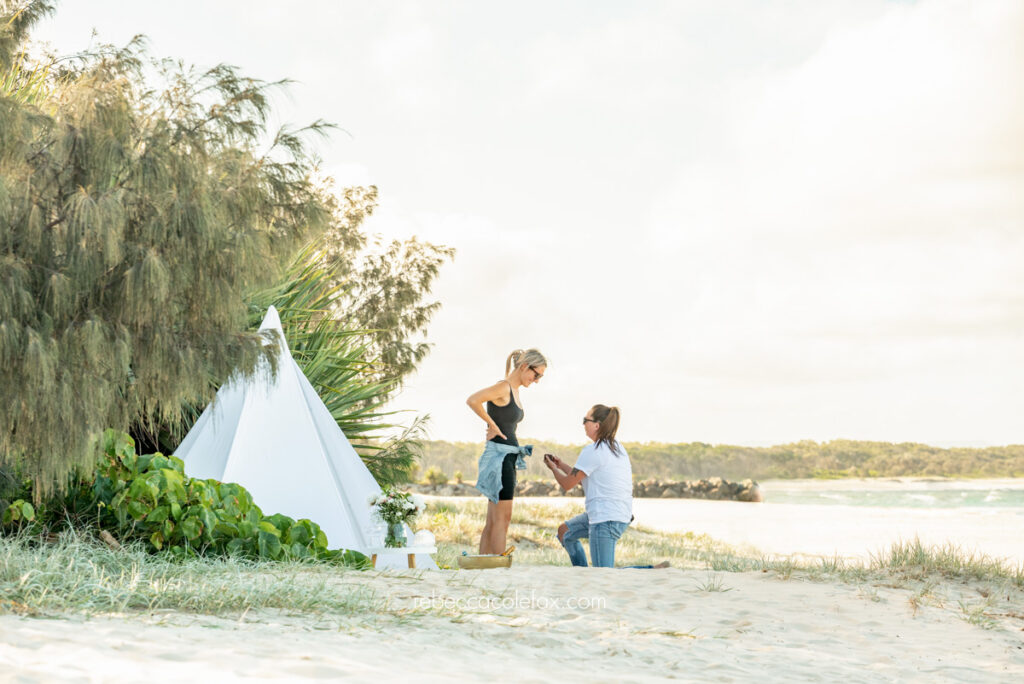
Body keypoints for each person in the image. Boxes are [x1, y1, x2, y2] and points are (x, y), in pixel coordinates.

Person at [545, 404, 667, 568]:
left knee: (604, 573)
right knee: (565, 532)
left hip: (605, 519)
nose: (583, 424)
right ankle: (581, 572)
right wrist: (561, 466)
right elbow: (583, 478)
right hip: (615, 514)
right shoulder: (616, 447)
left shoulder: (593, 450)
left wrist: (552, 468)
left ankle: (652, 570)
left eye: (585, 420)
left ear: (597, 425)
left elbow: (567, 484)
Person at [466, 348, 548, 554]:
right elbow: (473, 400)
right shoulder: (503, 387)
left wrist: (493, 424)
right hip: (500, 457)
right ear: (523, 367)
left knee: (494, 519)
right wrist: (491, 424)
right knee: (502, 519)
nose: (537, 380)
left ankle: (484, 565)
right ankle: (497, 569)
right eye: (536, 374)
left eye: (540, 377)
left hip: (506, 456)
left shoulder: (514, 390)